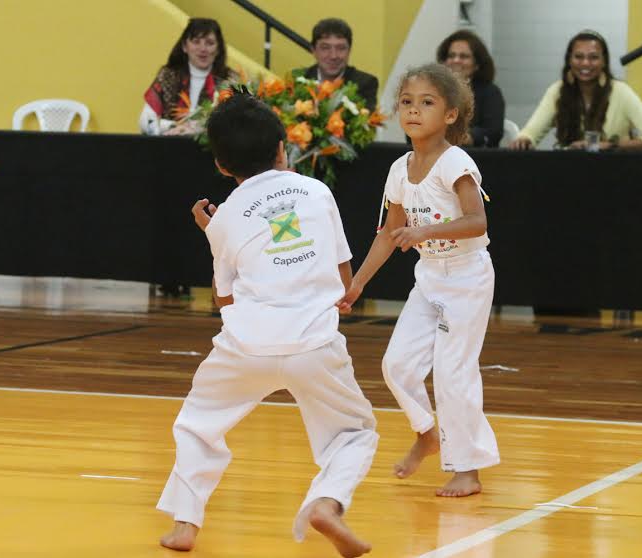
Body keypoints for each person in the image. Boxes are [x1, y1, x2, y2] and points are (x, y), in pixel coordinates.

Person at [157, 93, 377, 558]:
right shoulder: (318, 192)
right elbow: (342, 280)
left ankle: (185, 524)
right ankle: (325, 504)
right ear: (283, 146)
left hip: (245, 345)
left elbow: (224, 299)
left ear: (220, 164)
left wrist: (215, 234)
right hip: (314, 344)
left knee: (198, 425)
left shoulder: (227, 214)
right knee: (354, 433)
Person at [337, 63, 499, 498]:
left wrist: (425, 231)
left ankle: (468, 467)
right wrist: (357, 284)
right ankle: (427, 433)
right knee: (397, 365)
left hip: (467, 276)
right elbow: (390, 234)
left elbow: (477, 221)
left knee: (452, 372)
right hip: (429, 277)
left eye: (427, 102)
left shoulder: (456, 162)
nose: (413, 110)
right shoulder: (398, 168)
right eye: (407, 102)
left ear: (450, 115)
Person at [510, 30, 642, 152]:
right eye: (578, 57)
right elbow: (530, 133)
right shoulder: (557, 91)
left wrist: (609, 145)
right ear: (569, 60)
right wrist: (524, 139)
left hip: (616, 175)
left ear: (604, 62)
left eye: (593, 57)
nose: (585, 63)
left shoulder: (621, 92)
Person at [140, 18, 235, 136]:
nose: (203, 49)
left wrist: (198, 129)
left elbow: (234, 126)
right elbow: (145, 120)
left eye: (209, 43)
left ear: (218, 49)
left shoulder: (230, 81)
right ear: (185, 46)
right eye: (196, 42)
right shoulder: (168, 76)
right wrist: (175, 127)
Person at [437, 30, 505, 147]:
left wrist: (466, 138)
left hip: (476, 159)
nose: (456, 60)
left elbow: (493, 132)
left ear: (477, 64)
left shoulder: (490, 93)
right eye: (451, 56)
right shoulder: (432, 91)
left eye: (464, 56)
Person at [293, 18, 379, 111]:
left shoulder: (365, 83)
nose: (333, 56)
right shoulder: (297, 80)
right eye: (325, 48)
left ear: (349, 50)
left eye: (341, 48)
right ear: (313, 51)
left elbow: (364, 120)